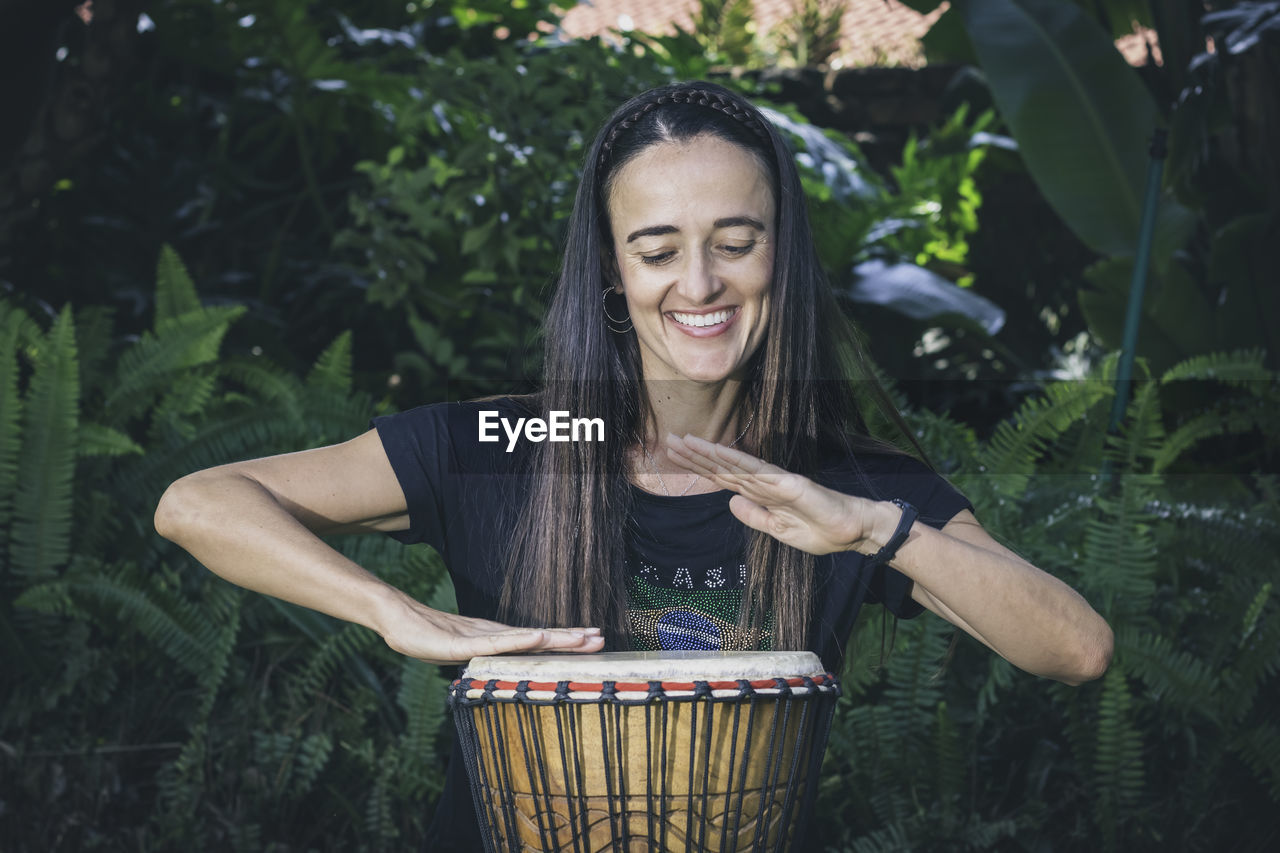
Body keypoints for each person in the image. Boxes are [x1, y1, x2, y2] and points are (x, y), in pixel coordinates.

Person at [154, 81, 1113, 850]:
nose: (699, 284)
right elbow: (200, 502)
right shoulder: (517, 447)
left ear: (783, 251)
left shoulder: (839, 484)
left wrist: (875, 529)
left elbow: (1076, 647)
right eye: (657, 250)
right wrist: (388, 610)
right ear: (614, 270)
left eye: (736, 243)